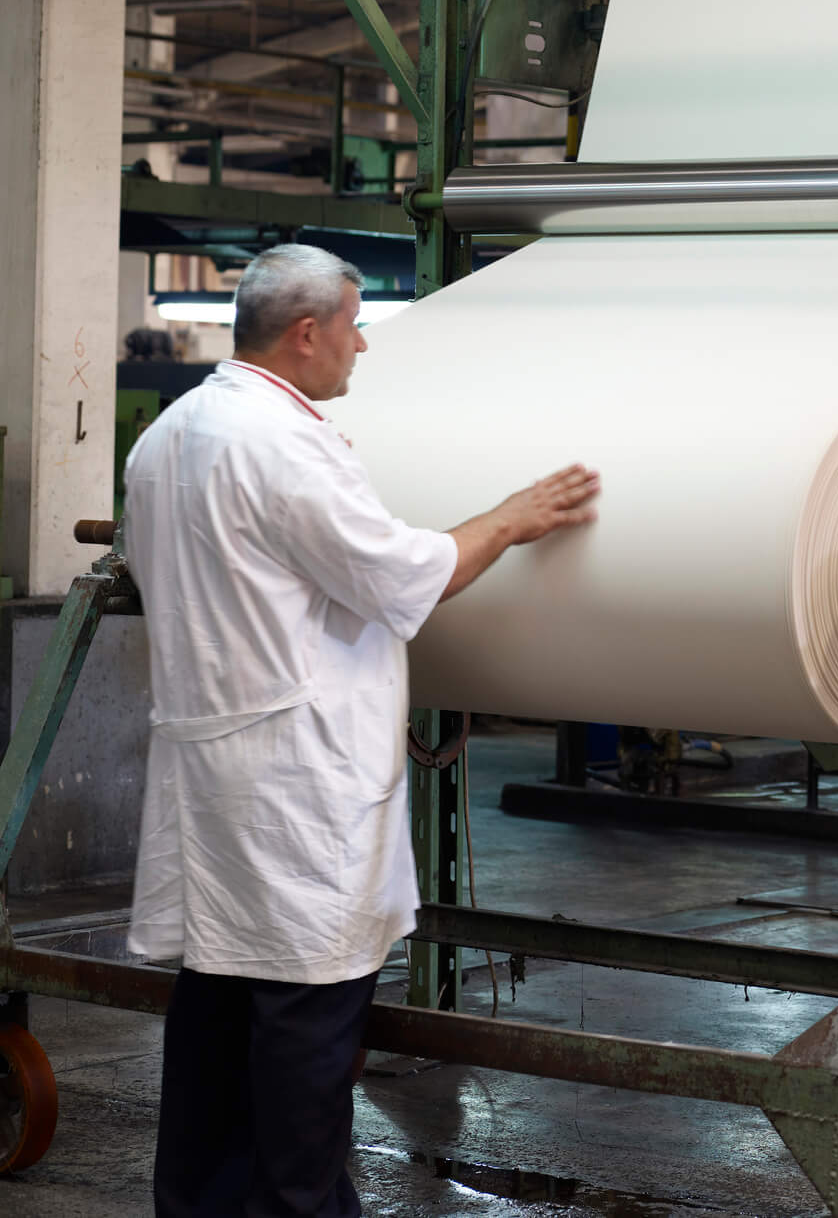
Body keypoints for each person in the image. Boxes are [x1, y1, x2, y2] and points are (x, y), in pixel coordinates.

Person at [123, 244, 601, 1216]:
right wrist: (510, 518)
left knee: (214, 1030)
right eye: (352, 325)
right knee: (302, 1051)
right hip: (298, 794)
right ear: (305, 334)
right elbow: (402, 576)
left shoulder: (170, 434)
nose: (361, 348)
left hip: (215, 784)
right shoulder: (281, 447)